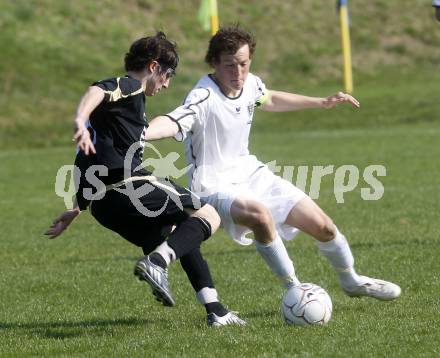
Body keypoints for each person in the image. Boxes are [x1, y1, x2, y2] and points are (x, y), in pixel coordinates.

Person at [145, 26, 401, 301]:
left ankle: (352, 280)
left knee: (323, 226)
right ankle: (295, 289)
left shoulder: (250, 83)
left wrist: (321, 102)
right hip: (212, 183)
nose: (238, 72)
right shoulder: (203, 96)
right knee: (260, 216)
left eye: (243, 64)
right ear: (215, 64)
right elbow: (172, 122)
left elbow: (270, 98)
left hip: (251, 173)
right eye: (230, 65)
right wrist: (141, 134)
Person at [45, 32, 245, 327]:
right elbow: (97, 90)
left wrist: (77, 207)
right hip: (128, 188)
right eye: (168, 75)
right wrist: (78, 119)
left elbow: (86, 159)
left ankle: (215, 309)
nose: (167, 84)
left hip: (104, 206)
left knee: (178, 235)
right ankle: (157, 263)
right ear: (153, 67)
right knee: (208, 214)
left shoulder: (113, 116)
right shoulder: (128, 87)